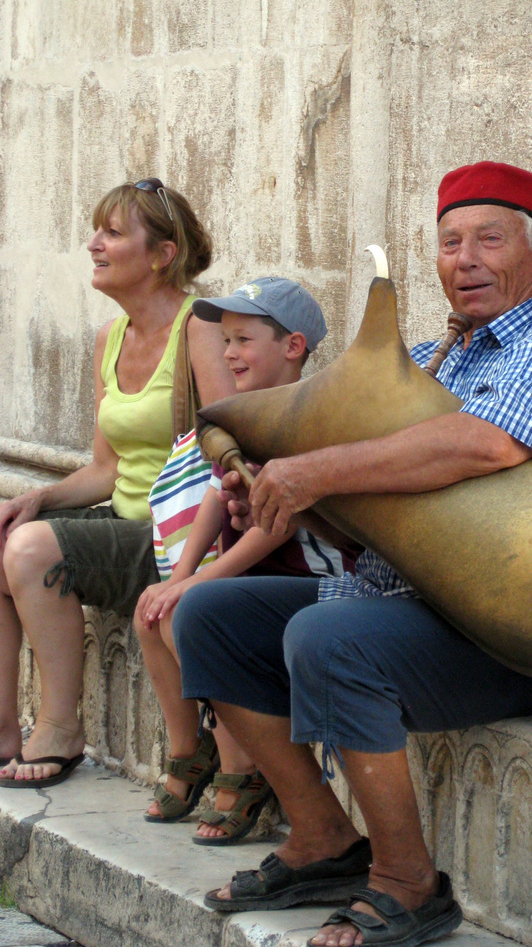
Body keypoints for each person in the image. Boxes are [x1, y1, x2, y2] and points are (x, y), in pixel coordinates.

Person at [172, 162, 532, 947]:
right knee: (209, 612)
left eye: (489, 239)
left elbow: (479, 445)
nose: (465, 259)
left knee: (326, 636)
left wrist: (316, 470)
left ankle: (409, 885)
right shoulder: (423, 356)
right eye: (450, 242)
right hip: (403, 606)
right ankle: (324, 840)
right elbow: (366, 523)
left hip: (513, 634)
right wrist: (290, 500)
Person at [0, 179, 235, 787]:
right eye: (96, 231)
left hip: (175, 538)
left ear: (161, 255)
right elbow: (107, 469)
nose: (93, 245)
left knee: (30, 549)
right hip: (126, 522)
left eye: (112, 233)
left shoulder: (200, 328)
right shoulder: (110, 338)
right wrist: (37, 498)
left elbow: (231, 449)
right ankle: (4, 727)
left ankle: (58, 727)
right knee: (8, 531)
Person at [134, 277, 357, 843]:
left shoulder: (308, 418)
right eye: (225, 340)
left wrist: (198, 582)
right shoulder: (241, 416)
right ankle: (189, 750)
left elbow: (270, 526)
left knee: (196, 611)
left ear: (293, 347)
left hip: (317, 584)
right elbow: (217, 491)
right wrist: (179, 576)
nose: (229, 353)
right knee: (152, 610)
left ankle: (245, 768)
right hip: (256, 582)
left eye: (243, 340)